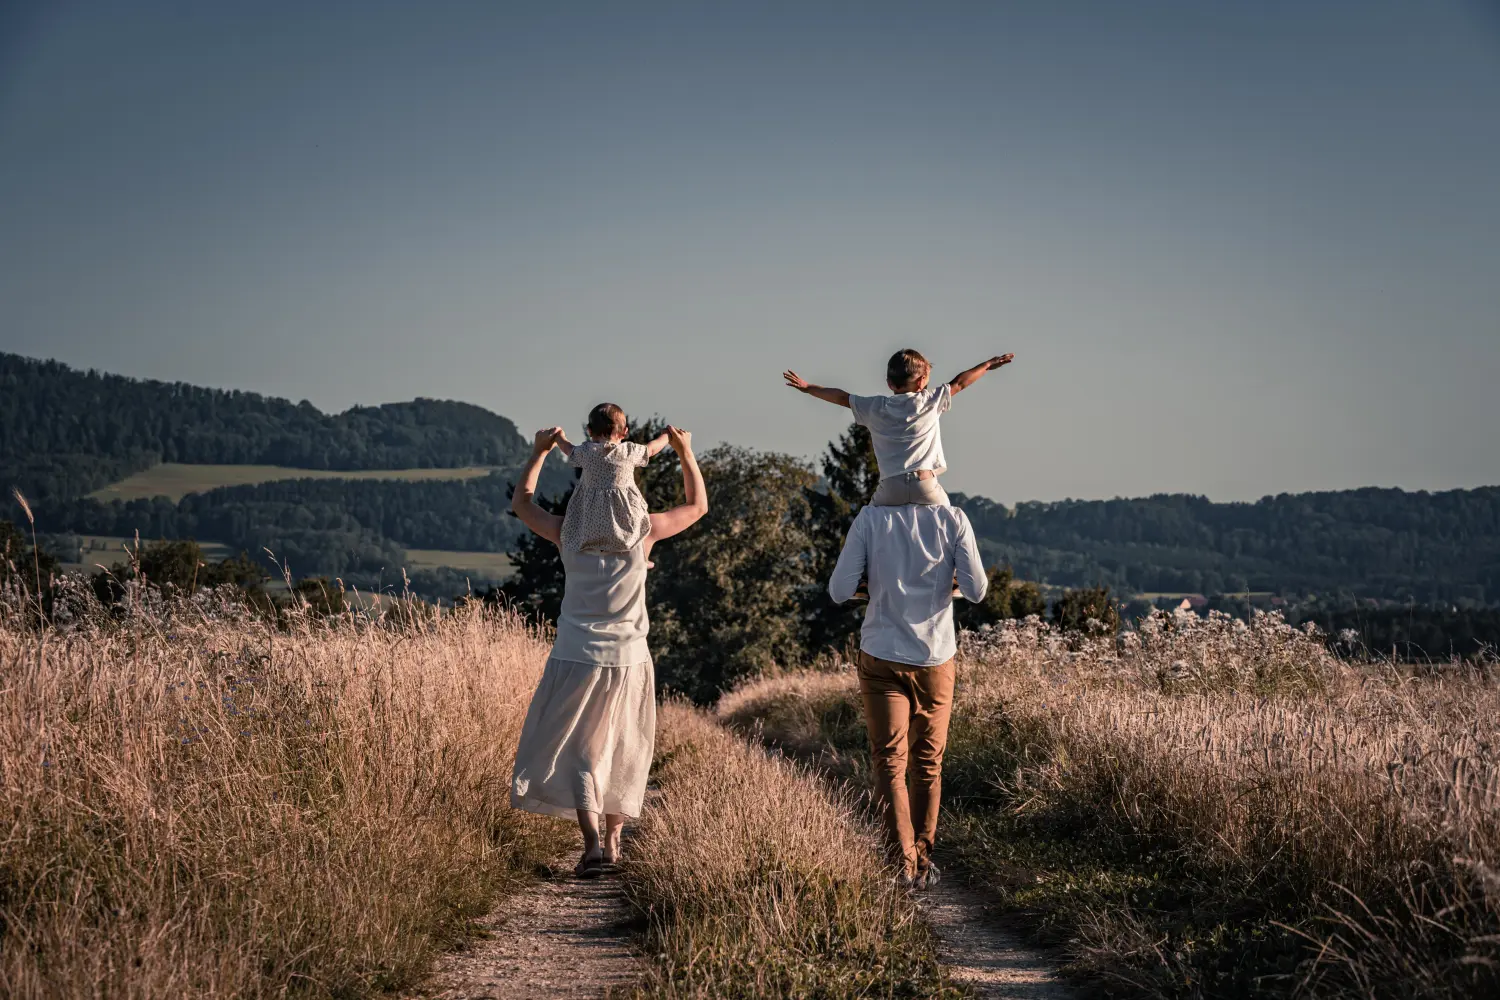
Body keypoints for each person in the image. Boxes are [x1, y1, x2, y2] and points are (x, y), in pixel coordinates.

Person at [509, 424, 707, 878]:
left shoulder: (565, 534)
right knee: (626, 748)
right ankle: (615, 840)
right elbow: (698, 506)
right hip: (630, 658)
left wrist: (539, 452)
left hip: (575, 657)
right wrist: (685, 451)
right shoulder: (645, 534)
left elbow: (522, 503)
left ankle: (594, 844)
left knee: (582, 753)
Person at [828, 499, 988, 889]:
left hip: (881, 652)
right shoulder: (953, 519)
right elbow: (977, 590)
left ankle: (901, 862)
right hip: (935, 656)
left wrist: (873, 585)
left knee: (889, 762)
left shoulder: (870, 518)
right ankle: (922, 859)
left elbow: (838, 591)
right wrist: (946, 582)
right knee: (928, 763)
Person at [783, 349, 1014, 507]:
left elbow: (842, 397)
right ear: (923, 380)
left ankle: (863, 575)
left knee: (866, 525)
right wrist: (987, 364)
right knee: (951, 523)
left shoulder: (875, 407)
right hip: (925, 484)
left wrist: (808, 387)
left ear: (890, 384)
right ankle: (953, 576)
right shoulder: (929, 401)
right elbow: (960, 382)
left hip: (890, 489)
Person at [554, 402, 671, 556]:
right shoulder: (628, 451)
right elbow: (651, 449)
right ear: (625, 432)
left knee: (590, 538)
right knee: (636, 533)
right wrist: (667, 436)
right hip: (625, 519)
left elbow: (568, 449)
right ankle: (640, 559)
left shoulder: (586, 452)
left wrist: (559, 436)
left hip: (591, 522)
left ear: (589, 431)